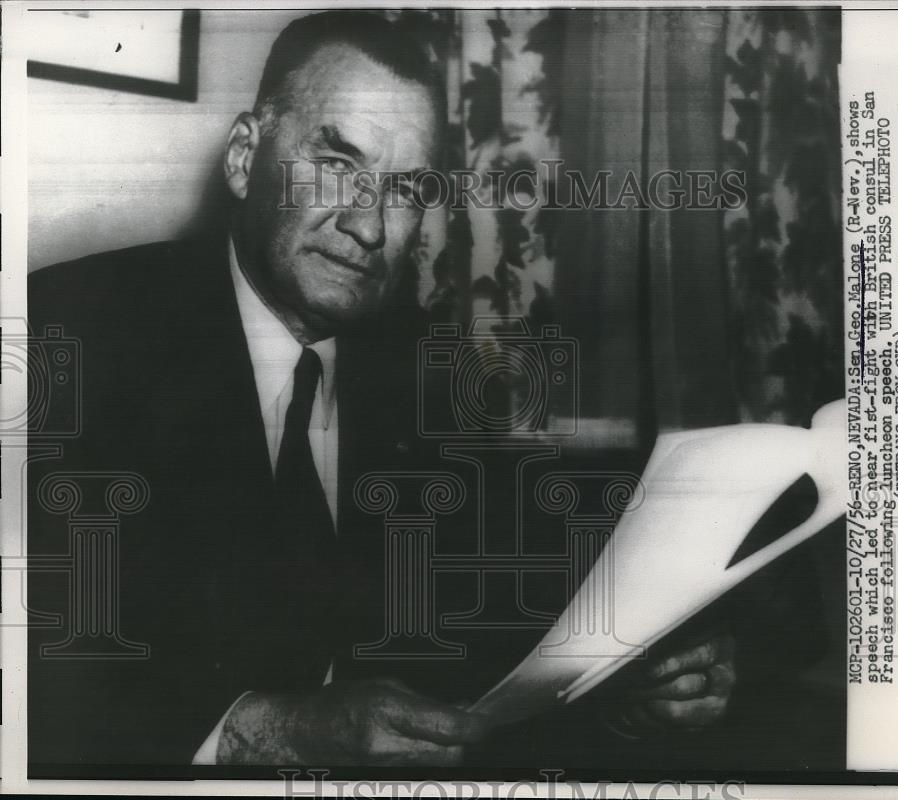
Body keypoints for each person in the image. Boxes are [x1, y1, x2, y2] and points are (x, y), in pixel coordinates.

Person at [27, 11, 735, 770]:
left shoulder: (432, 375)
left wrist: (626, 694)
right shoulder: (70, 336)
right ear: (243, 157)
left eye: (402, 189)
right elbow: (38, 670)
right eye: (337, 163)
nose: (368, 223)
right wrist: (253, 731)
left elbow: (490, 654)